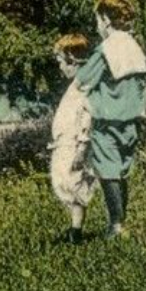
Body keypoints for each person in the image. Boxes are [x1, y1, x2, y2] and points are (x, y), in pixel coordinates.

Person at [74, 0, 146, 237]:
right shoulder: (134, 47)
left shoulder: (105, 50)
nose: (97, 26)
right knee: (122, 171)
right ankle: (120, 222)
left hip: (107, 121)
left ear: (106, 20)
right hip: (132, 121)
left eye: (98, 20)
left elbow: (83, 80)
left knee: (108, 173)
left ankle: (116, 225)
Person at [48, 33, 95, 242]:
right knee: (63, 184)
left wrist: (82, 147)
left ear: (72, 61)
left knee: (72, 183)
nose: (59, 67)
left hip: (74, 143)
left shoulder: (84, 86)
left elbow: (88, 117)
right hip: (65, 143)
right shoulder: (76, 84)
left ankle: (76, 232)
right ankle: (75, 229)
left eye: (61, 62)